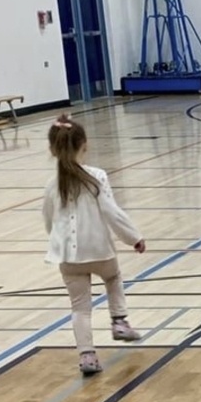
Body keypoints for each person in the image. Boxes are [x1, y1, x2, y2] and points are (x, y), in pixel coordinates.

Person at [43, 115, 145, 375]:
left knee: (80, 307)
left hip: (68, 256)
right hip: (98, 249)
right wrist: (133, 237)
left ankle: (87, 356)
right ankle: (119, 320)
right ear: (84, 145)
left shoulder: (53, 184)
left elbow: (48, 218)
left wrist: (58, 243)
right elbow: (112, 212)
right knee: (113, 277)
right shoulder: (96, 176)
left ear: (53, 149)